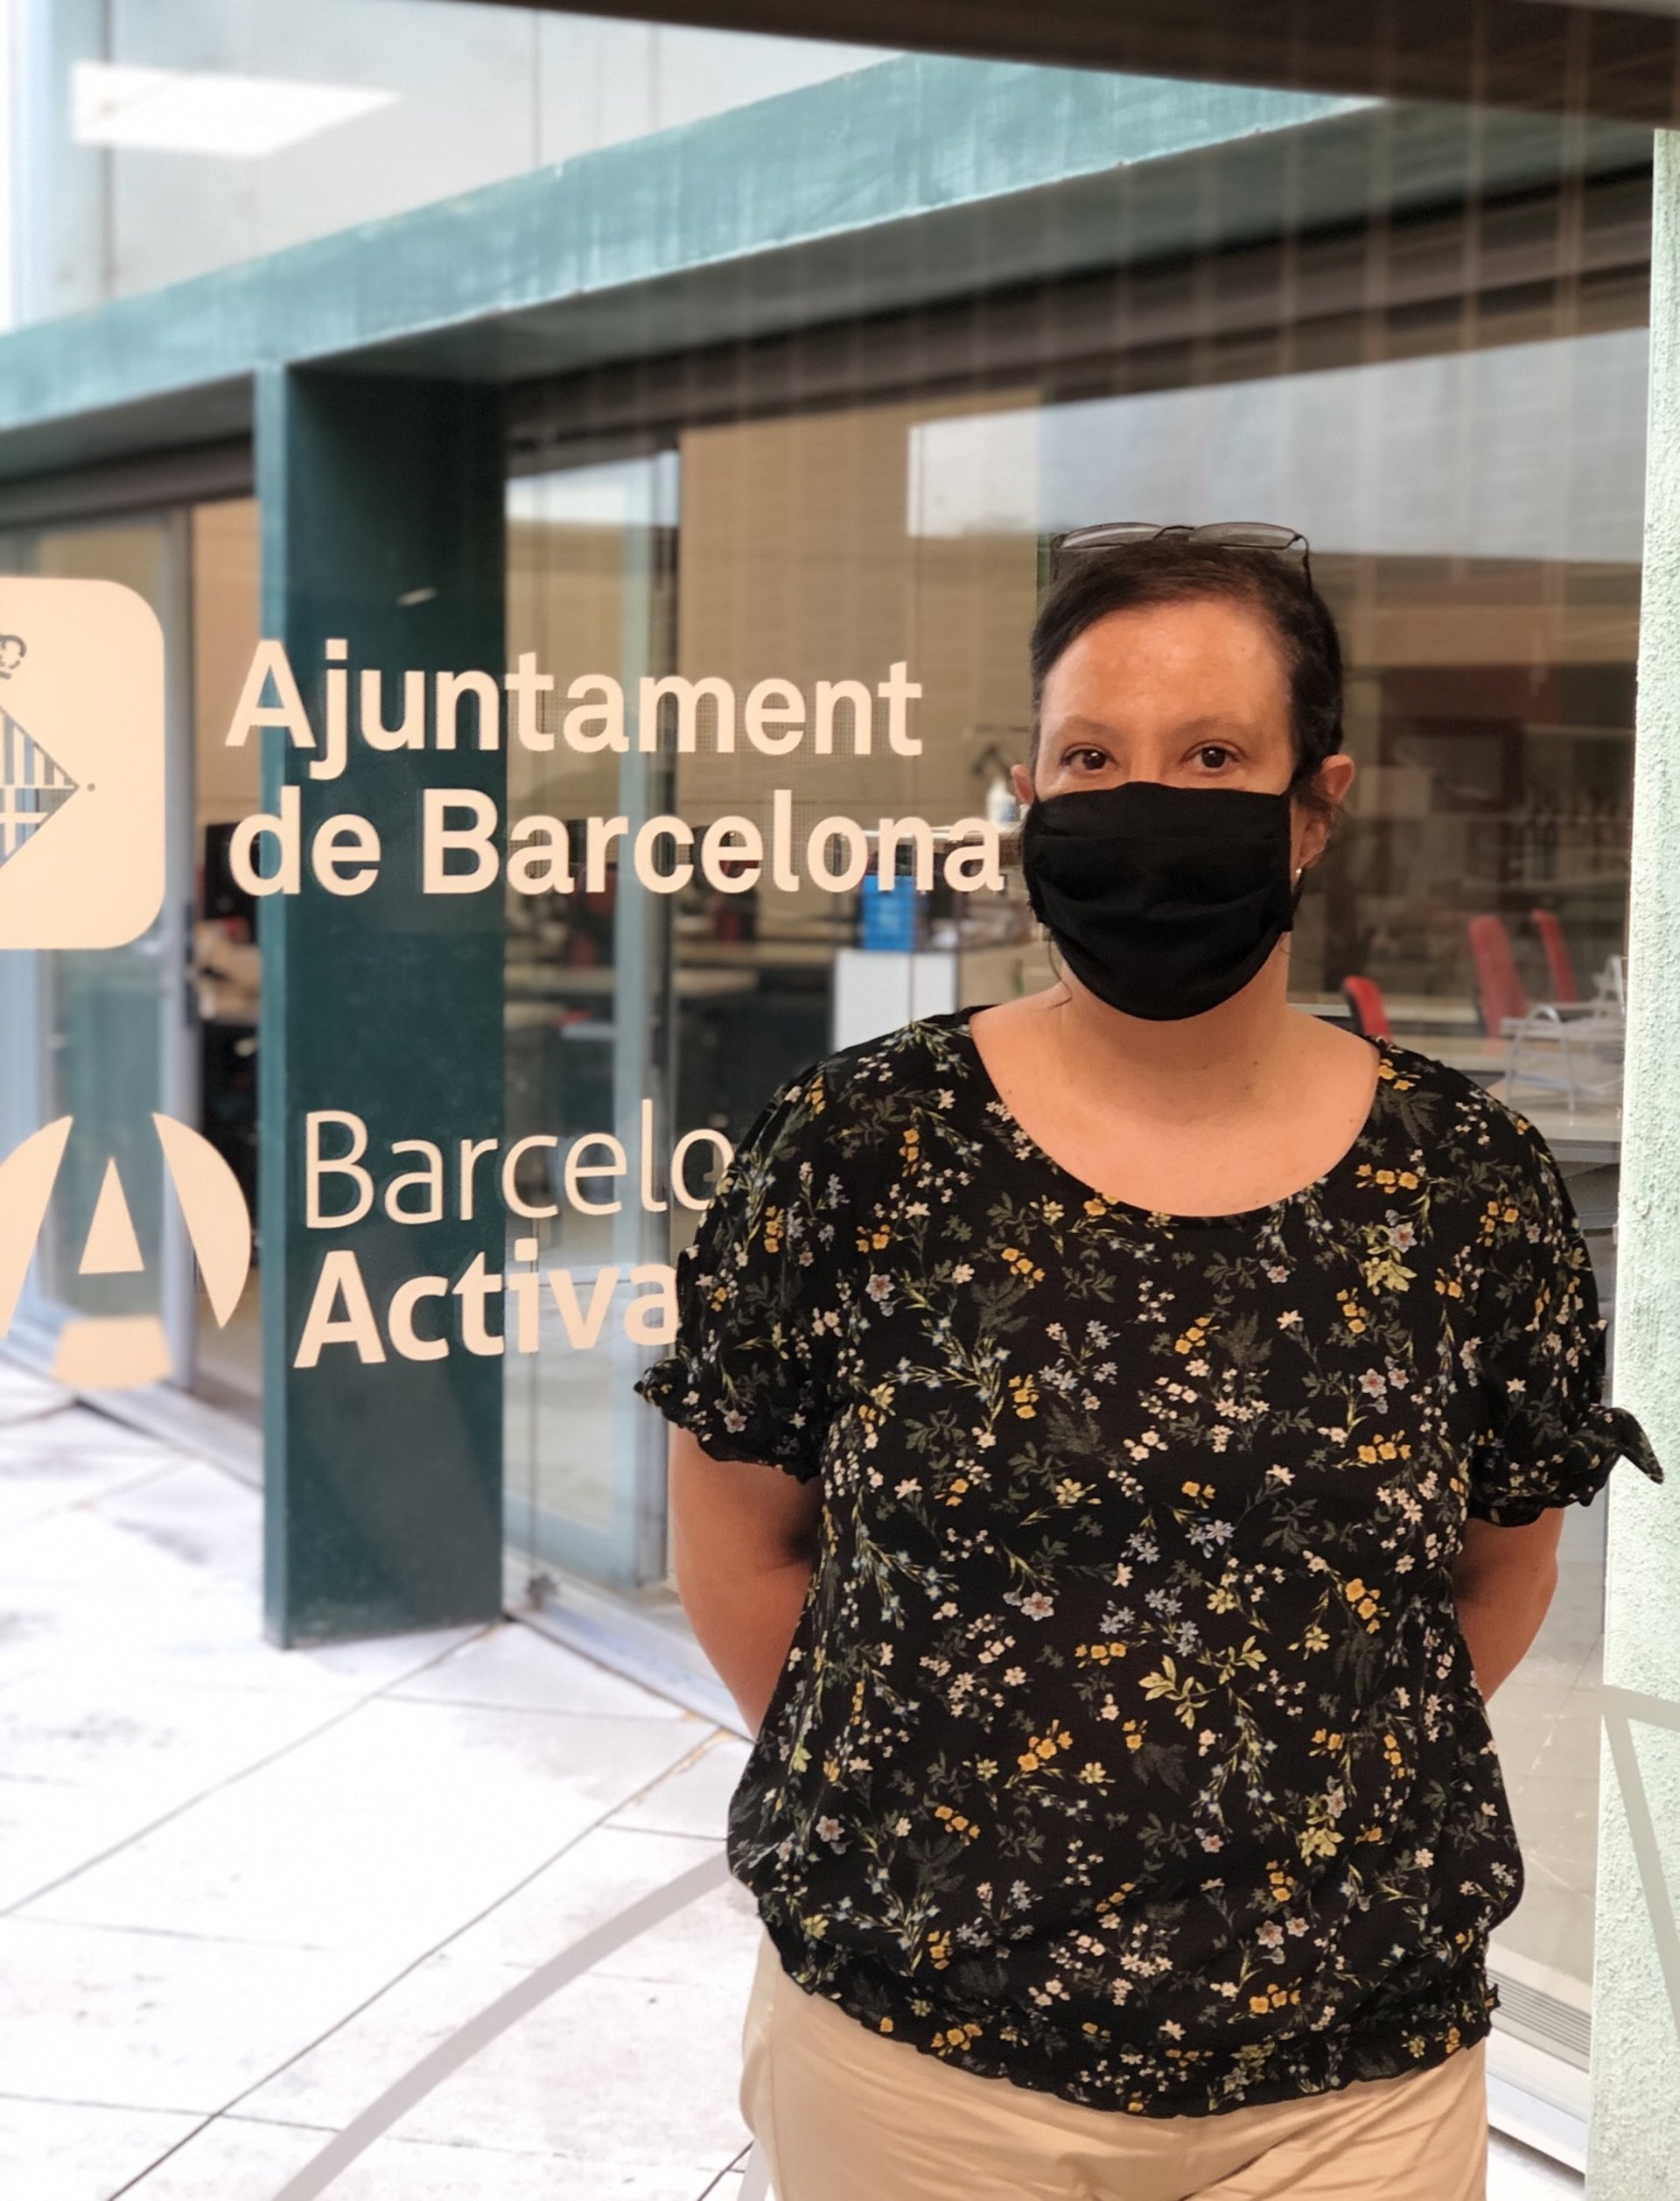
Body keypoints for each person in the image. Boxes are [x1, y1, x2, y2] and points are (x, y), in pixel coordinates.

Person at [635, 522, 1664, 2201]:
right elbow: (738, 1547)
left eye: (1213, 758)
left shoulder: (1464, 1183)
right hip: (921, 2055)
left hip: (1353, 2078)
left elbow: (1499, 1570)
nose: (1145, 805)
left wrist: (1289, 1808)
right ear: (1031, 797)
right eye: (1092, 760)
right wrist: (938, 1812)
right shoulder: (859, 1149)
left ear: (1315, 805)